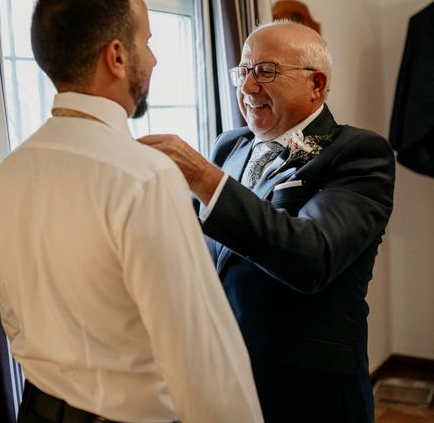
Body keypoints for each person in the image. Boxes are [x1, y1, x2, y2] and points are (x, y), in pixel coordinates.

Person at [0, 0, 262, 423]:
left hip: (36, 410)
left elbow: (15, 319)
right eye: (147, 41)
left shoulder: (11, 171)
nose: (152, 59)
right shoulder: (144, 175)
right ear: (116, 55)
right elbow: (198, 353)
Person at [140, 21, 395, 422]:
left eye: (266, 71)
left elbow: (314, 256)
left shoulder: (359, 153)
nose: (247, 87)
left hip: (308, 390)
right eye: (243, 71)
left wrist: (204, 178)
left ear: (316, 84)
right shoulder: (231, 146)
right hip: (222, 376)